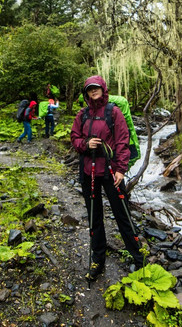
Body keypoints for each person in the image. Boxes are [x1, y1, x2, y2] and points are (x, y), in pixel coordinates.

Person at [71, 75, 142, 281]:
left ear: (103, 89)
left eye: (96, 88)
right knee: (94, 217)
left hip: (112, 172)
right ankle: (98, 259)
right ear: (86, 93)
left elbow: (122, 140)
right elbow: (75, 137)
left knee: (122, 214)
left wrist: (121, 169)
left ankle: (138, 257)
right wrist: (85, 144)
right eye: (89, 89)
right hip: (89, 171)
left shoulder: (114, 112)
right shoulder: (82, 115)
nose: (93, 92)